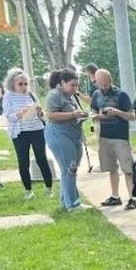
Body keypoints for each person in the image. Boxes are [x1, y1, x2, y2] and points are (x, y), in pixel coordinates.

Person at [2, 68, 53, 200]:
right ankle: (28, 190)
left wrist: (40, 112)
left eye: (25, 83)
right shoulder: (8, 96)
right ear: (12, 84)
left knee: (41, 158)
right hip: (20, 132)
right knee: (23, 161)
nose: (24, 86)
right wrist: (21, 113)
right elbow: (9, 117)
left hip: (36, 129)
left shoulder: (31, 94)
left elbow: (40, 112)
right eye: (20, 84)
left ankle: (49, 188)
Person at [43, 69, 90, 212]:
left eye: (77, 86)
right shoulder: (54, 95)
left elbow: (75, 116)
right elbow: (50, 115)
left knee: (70, 169)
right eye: (72, 85)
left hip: (73, 134)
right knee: (70, 169)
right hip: (59, 134)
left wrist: (81, 119)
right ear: (62, 83)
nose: (75, 88)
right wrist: (72, 114)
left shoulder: (71, 97)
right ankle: (73, 204)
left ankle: (65, 201)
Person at [90, 68, 136, 210]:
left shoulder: (121, 95)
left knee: (127, 168)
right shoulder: (96, 95)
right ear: (96, 83)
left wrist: (117, 112)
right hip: (104, 136)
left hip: (120, 136)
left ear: (110, 81)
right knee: (111, 168)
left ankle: (132, 197)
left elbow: (132, 115)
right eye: (100, 84)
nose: (104, 87)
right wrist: (95, 116)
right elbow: (92, 110)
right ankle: (115, 196)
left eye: (106, 83)